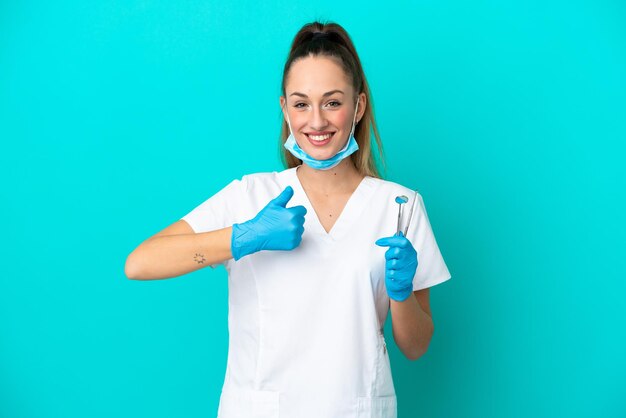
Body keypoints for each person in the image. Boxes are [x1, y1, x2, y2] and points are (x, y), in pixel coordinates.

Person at [125, 21, 451, 418]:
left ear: (359, 106)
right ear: (285, 108)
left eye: (332, 102)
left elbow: (416, 347)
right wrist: (243, 237)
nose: (316, 121)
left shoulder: (399, 205)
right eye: (301, 104)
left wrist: (400, 297)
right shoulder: (250, 196)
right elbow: (140, 262)